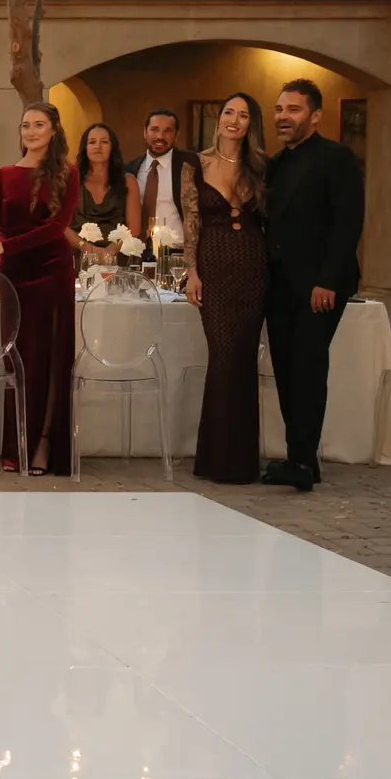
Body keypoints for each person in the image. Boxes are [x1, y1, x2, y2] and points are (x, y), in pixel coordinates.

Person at [261, 78, 364, 492]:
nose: (284, 117)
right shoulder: (276, 162)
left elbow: (347, 223)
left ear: (316, 116)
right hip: (280, 284)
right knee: (286, 369)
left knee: (307, 367)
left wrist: (327, 281)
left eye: (294, 110)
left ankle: (302, 462)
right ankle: (300, 458)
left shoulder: (337, 158)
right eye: (280, 109)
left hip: (319, 287)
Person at [0, 102, 78, 475]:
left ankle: (43, 446)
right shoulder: (5, 174)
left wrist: (5, 248)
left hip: (52, 272)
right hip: (14, 277)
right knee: (17, 358)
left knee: (50, 359)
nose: (32, 131)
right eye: (26, 125)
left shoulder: (67, 173)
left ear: (54, 129)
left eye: (39, 125)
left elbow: (56, 229)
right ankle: (15, 445)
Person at [184, 94, 265, 485]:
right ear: (218, 120)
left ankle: (243, 461)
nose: (234, 120)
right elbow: (191, 222)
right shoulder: (195, 164)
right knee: (223, 356)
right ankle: (214, 459)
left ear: (251, 124)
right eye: (229, 112)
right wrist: (191, 271)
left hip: (253, 267)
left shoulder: (261, 167)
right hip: (212, 268)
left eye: (243, 115)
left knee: (244, 359)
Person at [72, 122, 142, 263]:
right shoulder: (71, 179)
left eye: (104, 142)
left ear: (112, 147)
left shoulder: (128, 181)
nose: (98, 147)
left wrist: (109, 252)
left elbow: (134, 228)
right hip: (78, 256)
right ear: (85, 147)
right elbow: (61, 225)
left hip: (117, 257)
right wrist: (90, 250)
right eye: (92, 142)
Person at [135, 108, 189, 248]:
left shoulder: (190, 166)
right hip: (138, 252)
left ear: (177, 135)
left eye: (167, 131)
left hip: (178, 252)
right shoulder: (130, 170)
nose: (160, 136)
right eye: (154, 129)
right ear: (145, 132)